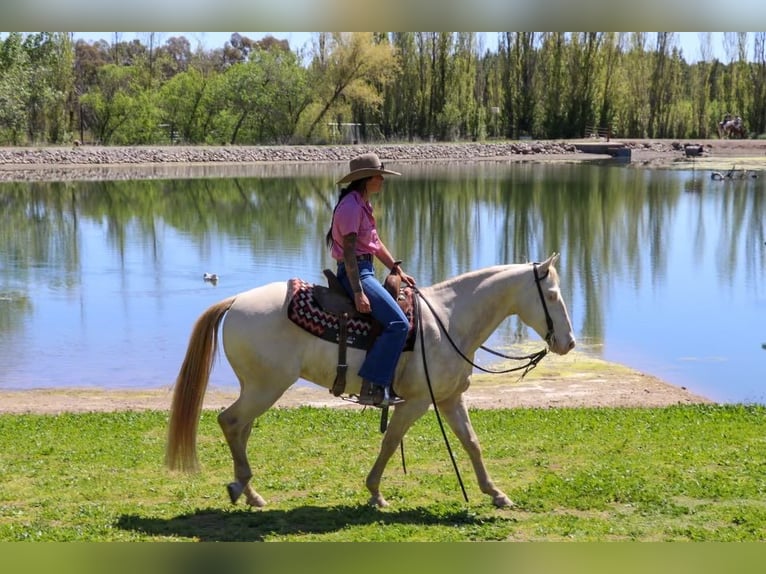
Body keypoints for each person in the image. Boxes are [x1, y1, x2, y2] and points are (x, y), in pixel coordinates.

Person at [325, 152, 416, 407]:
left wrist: (396, 268)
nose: (382, 180)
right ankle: (373, 387)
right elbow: (351, 253)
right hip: (357, 272)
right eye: (379, 176)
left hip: (365, 269)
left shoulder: (362, 204)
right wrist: (358, 292)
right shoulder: (352, 208)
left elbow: (374, 244)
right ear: (367, 179)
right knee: (398, 324)